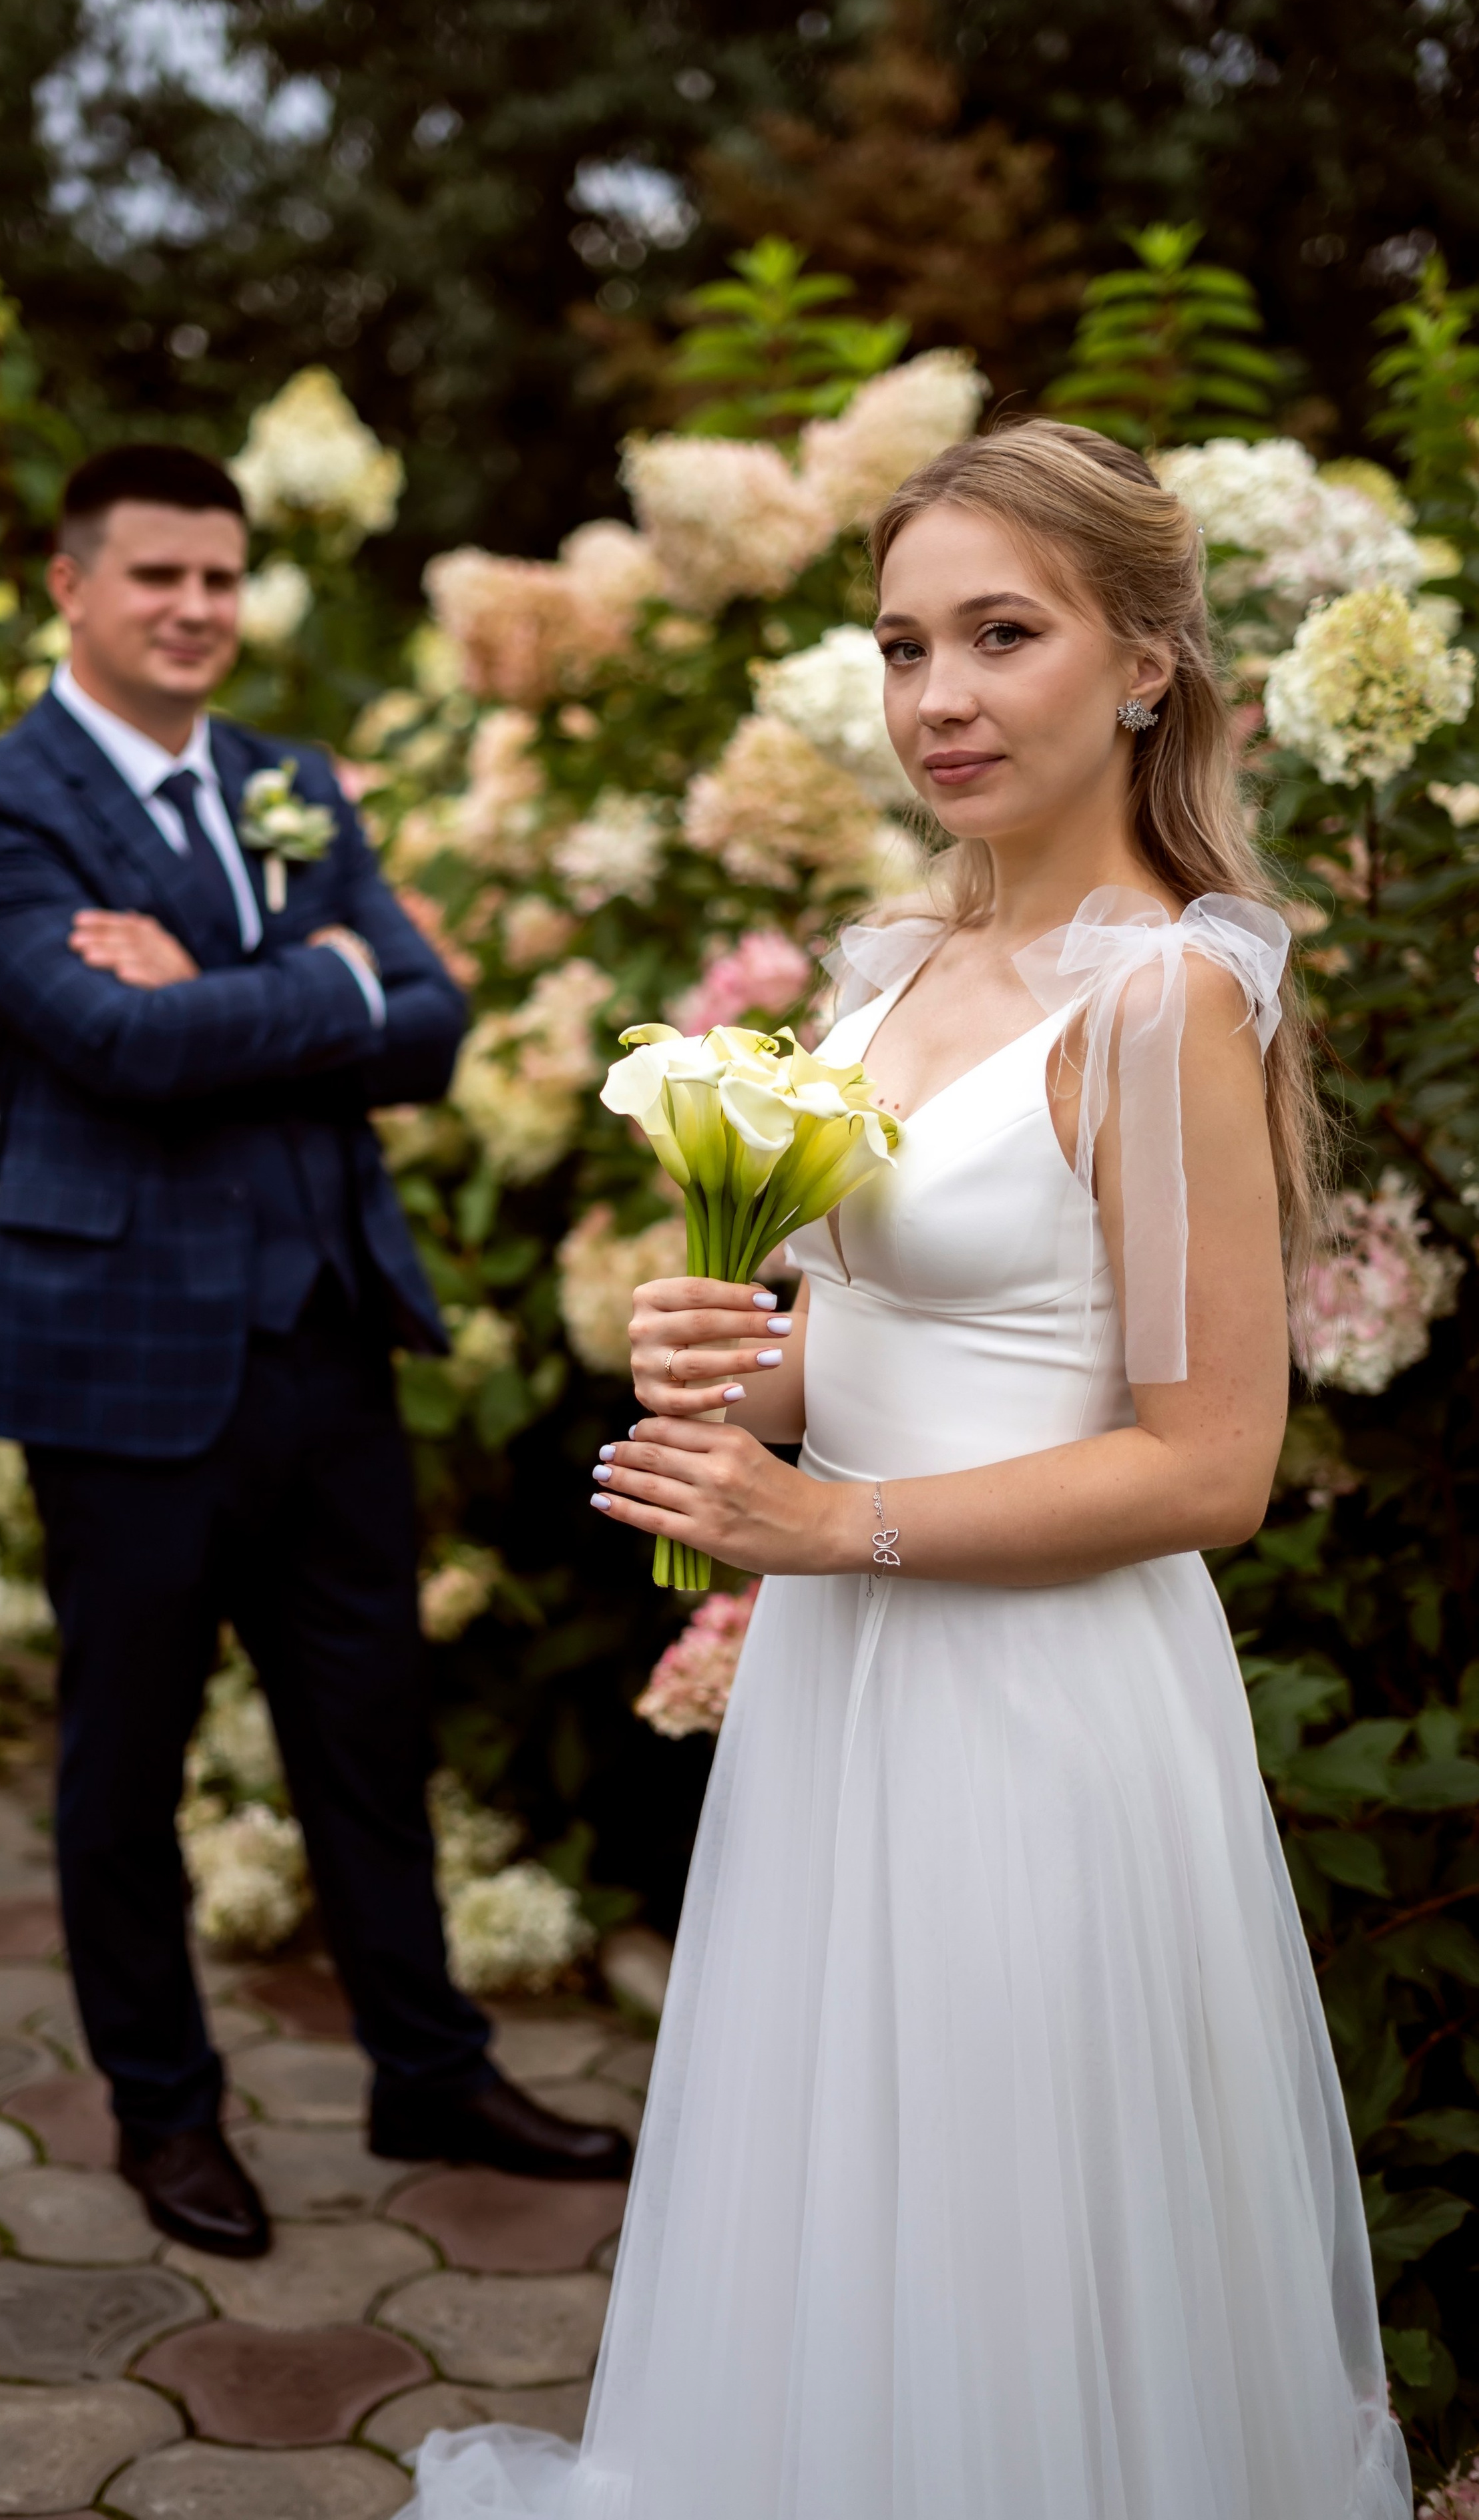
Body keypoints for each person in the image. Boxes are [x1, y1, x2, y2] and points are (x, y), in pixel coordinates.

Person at [405, 423, 1412, 2516]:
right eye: (898, 647)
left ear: (1146, 662)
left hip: (1041, 1718)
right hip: (848, 1706)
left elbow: (1212, 1462)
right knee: (834, 2196)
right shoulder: (897, 972)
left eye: (999, 636)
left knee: (1009, 2224)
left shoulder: (1162, 1002)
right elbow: (907, 1339)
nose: (937, 698)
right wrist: (747, 1365)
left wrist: (827, 1523)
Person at [0, 443, 630, 2262]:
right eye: (156, 575)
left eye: (220, 578)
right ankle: (167, 2117)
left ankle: (428, 2069)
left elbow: (436, 1020)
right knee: (126, 1766)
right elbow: (108, 1044)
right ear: (74, 586)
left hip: (327, 1339)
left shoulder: (293, 781)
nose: (195, 608)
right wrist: (326, 988)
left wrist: (269, 992)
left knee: (369, 1739)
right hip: (123, 1356)